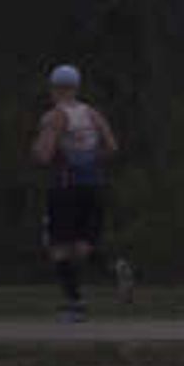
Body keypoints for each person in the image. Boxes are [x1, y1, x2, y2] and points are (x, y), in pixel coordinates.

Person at [30, 64, 127, 320]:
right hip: (93, 184)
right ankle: (112, 268)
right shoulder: (92, 114)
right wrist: (90, 159)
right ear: (76, 87)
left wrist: (42, 149)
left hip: (65, 186)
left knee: (59, 247)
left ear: (53, 87)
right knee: (83, 246)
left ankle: (75, 305)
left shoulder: (55, 117)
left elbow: (43, 155)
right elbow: (112, 147)